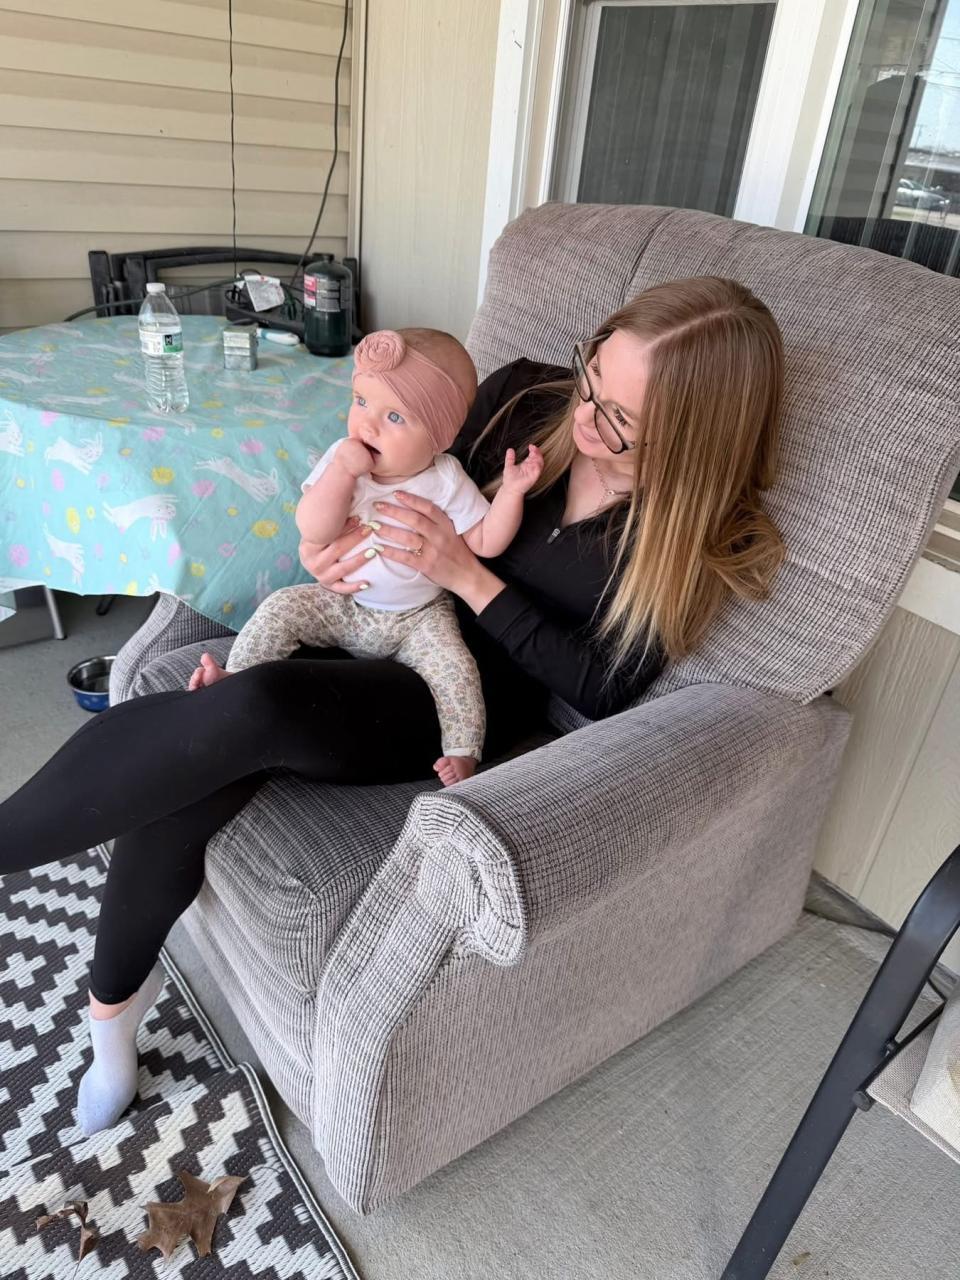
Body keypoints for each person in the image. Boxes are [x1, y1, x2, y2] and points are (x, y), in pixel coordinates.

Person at [0, 275, 786, 1137]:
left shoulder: (691, 540)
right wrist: (327, 551)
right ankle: (112, 1019)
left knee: (252, 708)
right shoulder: (526, 397)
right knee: (195, 760)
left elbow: (603, 687)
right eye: (593, 377)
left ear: (695, 435)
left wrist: (470, 578)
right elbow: (391, 470)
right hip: (365, 613)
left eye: (621, 420)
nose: (587, 416)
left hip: (451, 689)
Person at [198, 327, 544, 787]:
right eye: (361, 401)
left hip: (420, 616)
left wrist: (512, 494)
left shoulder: (446, 479)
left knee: (456, 668)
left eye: (395, 416)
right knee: (281, 607)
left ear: (439, 436)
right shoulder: (342, 461)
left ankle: (462, 751)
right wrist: (342, 473)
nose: (368, 425)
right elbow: (314, 529)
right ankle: (236, 677)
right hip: (347, 603)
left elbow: (485, 541)